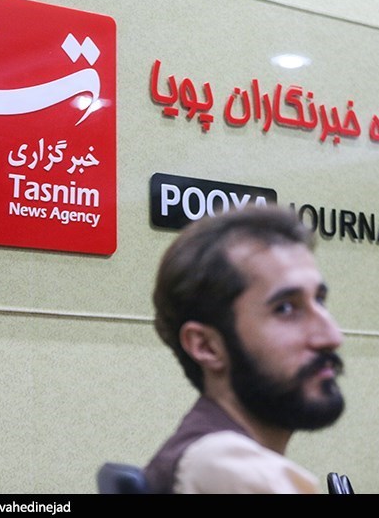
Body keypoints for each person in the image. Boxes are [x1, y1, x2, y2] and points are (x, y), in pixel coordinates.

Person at [142, 205, 346, 494]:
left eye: (320, 301)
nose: (332, 336)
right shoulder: (229, 471)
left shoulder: (204, 458)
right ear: (206, 347)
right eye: (285, 308)